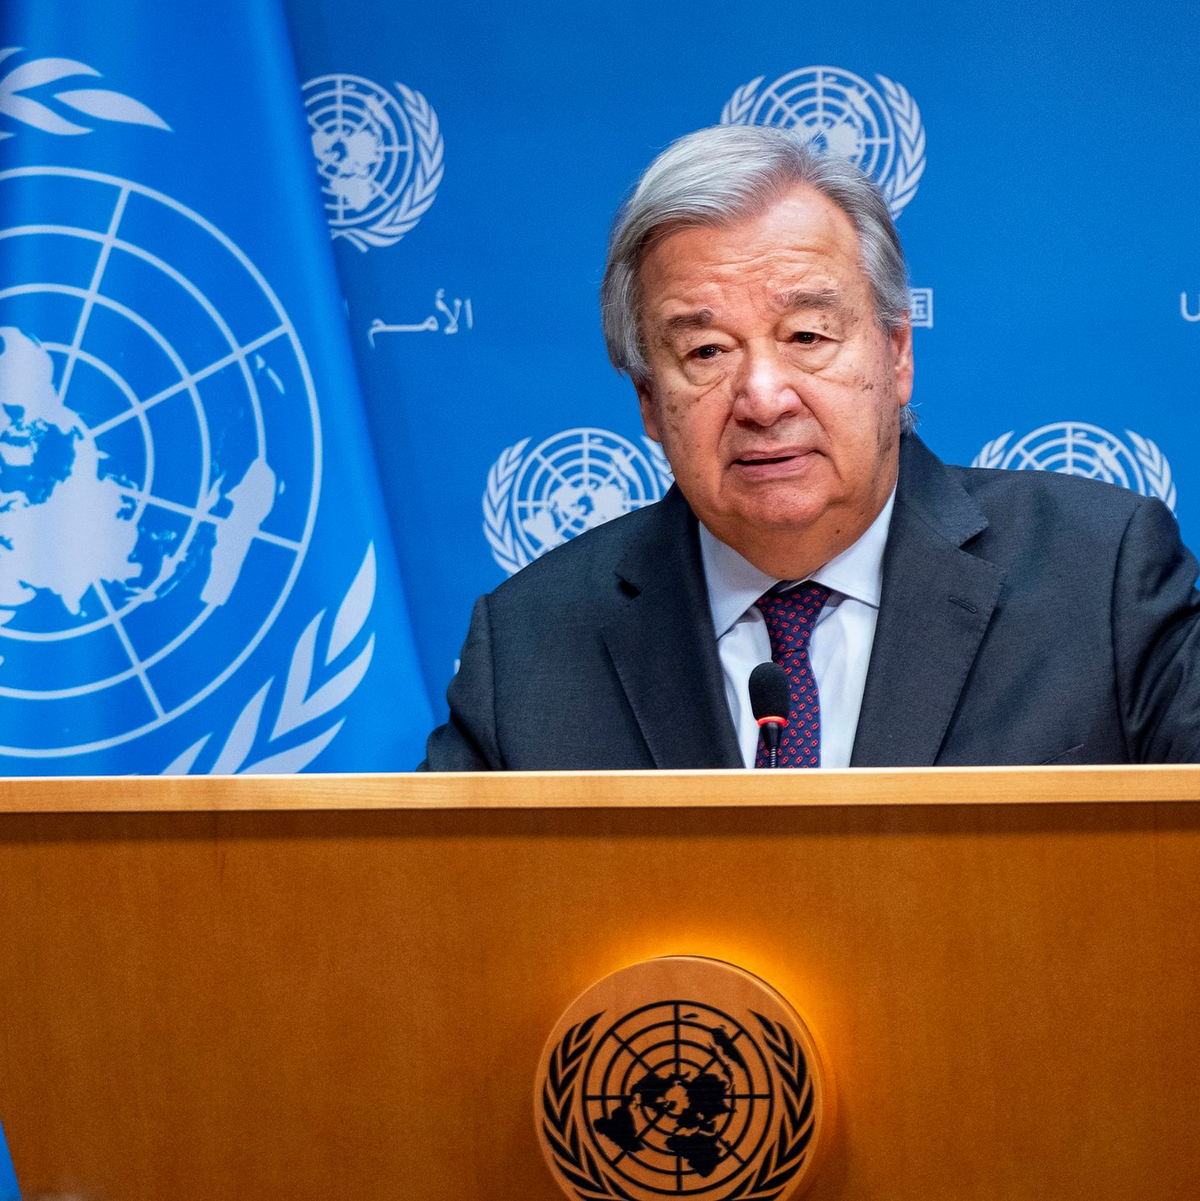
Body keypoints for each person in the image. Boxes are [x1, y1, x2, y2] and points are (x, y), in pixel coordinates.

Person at [422, 125, 1200, 770]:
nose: (763, 397)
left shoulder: (1100, 582)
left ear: (897, 355)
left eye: (806, 335)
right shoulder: (527, 648)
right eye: (706, 352)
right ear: (649, 403)